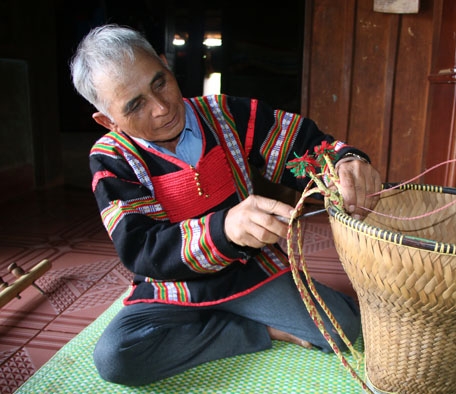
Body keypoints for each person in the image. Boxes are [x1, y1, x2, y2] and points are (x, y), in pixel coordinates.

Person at [70, 24, 382, 386]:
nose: (161, 108)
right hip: (173, 286)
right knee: (117, 358)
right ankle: (259, 330)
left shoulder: (225, 113)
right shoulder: (111, 159)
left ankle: (225, 324)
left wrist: (343, 162)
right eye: (135, 105)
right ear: (108, 121)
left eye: (160, 82)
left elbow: (301, 143)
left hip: (249, 269)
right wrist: (224, 229)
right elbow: (142, 249)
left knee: (343, 328)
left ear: (164, 62)